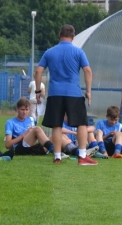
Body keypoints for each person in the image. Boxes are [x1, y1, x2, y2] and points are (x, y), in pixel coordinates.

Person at [35, 24, 98, 165]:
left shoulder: (49, 52)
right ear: (73, 37)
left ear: (59, 35)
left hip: (55, 93)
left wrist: (38, 91)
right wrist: (88, 91)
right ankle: (82, 157)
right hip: (73, 93)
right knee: (81, 124)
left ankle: (57, 156)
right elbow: (88, 71)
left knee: (57, 125)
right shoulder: (78, 52)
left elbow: (38, 71)